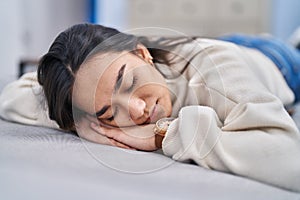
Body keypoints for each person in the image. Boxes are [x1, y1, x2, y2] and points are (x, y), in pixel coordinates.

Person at [0, 23, 300, 192]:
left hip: (278, 62)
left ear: (142, 53)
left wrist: (165, 133)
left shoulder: (215, 73)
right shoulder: (87, 98)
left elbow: (289, 160)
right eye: (108, 113)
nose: (137, 109)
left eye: (128, 82)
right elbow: (12, 97)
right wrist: (79, 120)